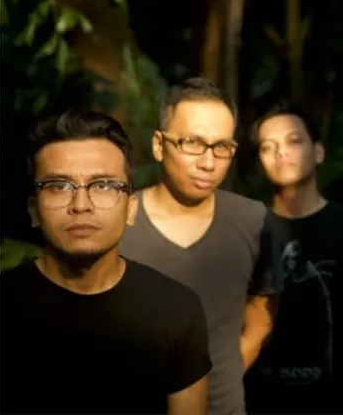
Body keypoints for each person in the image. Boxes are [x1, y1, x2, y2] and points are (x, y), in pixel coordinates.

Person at [0, 111, 211, 415]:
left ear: (131, 208)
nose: (81, 205)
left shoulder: (177, 311)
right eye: (59, 186)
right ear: (34, 210)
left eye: (104, 186)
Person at [119, 78, 282, 415]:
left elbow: (262, 315)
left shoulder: (255, 222)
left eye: (222, 147)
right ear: (159, 145)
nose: (208, 162)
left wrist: (223, 372)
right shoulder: (119, 223)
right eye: (192, 143)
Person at [244, 101, 343, 413]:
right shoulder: (246, 231)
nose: (282, 153)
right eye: (268, 147)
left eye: (294, 141)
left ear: (318, 152)